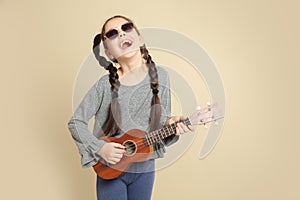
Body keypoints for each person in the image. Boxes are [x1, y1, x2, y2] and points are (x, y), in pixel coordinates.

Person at [68, 15, 194, 200]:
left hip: (144, 169)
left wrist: (172, 124)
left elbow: (161, 121)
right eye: (112, 34)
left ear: (139, 38)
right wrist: (100, 148)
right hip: (110, 170)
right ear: (109, 54)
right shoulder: (104, 85)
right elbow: (75, 123)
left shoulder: (161, 76)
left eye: (126, 28)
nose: (120, 34)